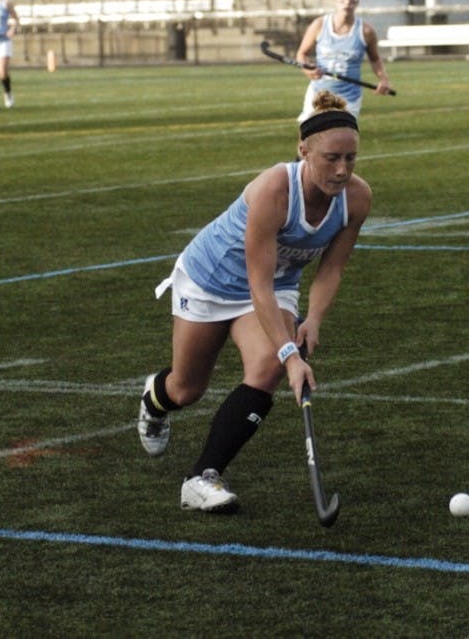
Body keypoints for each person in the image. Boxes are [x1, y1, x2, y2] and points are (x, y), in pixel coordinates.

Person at [137, 90, 372, 514]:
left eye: (350, 158)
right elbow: (256, 282)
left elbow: (332, 269)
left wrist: (313, 320)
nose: (342, 170)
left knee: (267, 367)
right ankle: (154, 400)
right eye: (331, 158)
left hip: (276, 283)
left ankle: (201, 478)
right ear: (304, 151)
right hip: (210, 280)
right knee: (186, 389)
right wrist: (292, 356)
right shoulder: (274, 189)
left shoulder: (357, 198)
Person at [294, 0, 392, 122]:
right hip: (319, 94)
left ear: (357, 2)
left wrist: (384, 80)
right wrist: (307, 69)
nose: (347, 1)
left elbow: (375, 59)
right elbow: (302, 54)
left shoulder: (366, 31)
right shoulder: (319, 25)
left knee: (343, 135)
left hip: (349, 98)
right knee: (308, 133)